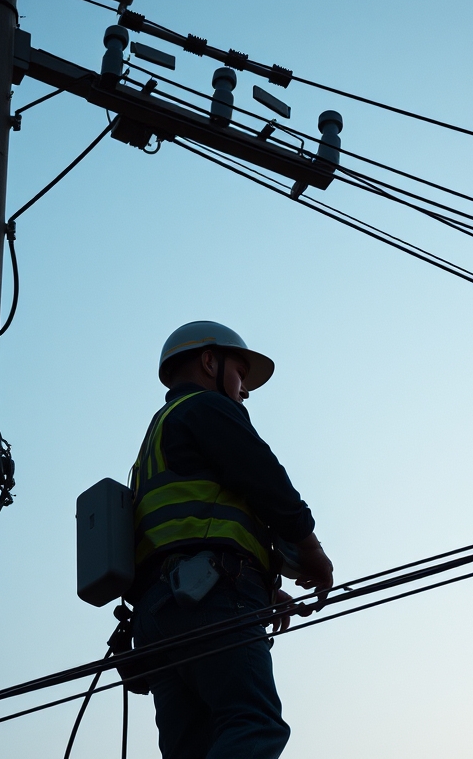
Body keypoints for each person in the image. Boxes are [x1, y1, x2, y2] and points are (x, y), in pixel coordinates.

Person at [128, 321, 334, 759]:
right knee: (253, 722)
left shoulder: (154, 439)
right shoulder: (205, 408)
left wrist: (260, 588)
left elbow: (185, 530)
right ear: (209, 361)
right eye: (240, 374)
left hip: (159, 618)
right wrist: (311, 551)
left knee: (193, 751)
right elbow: (264, 477)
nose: (244, 390)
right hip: (211, 597)